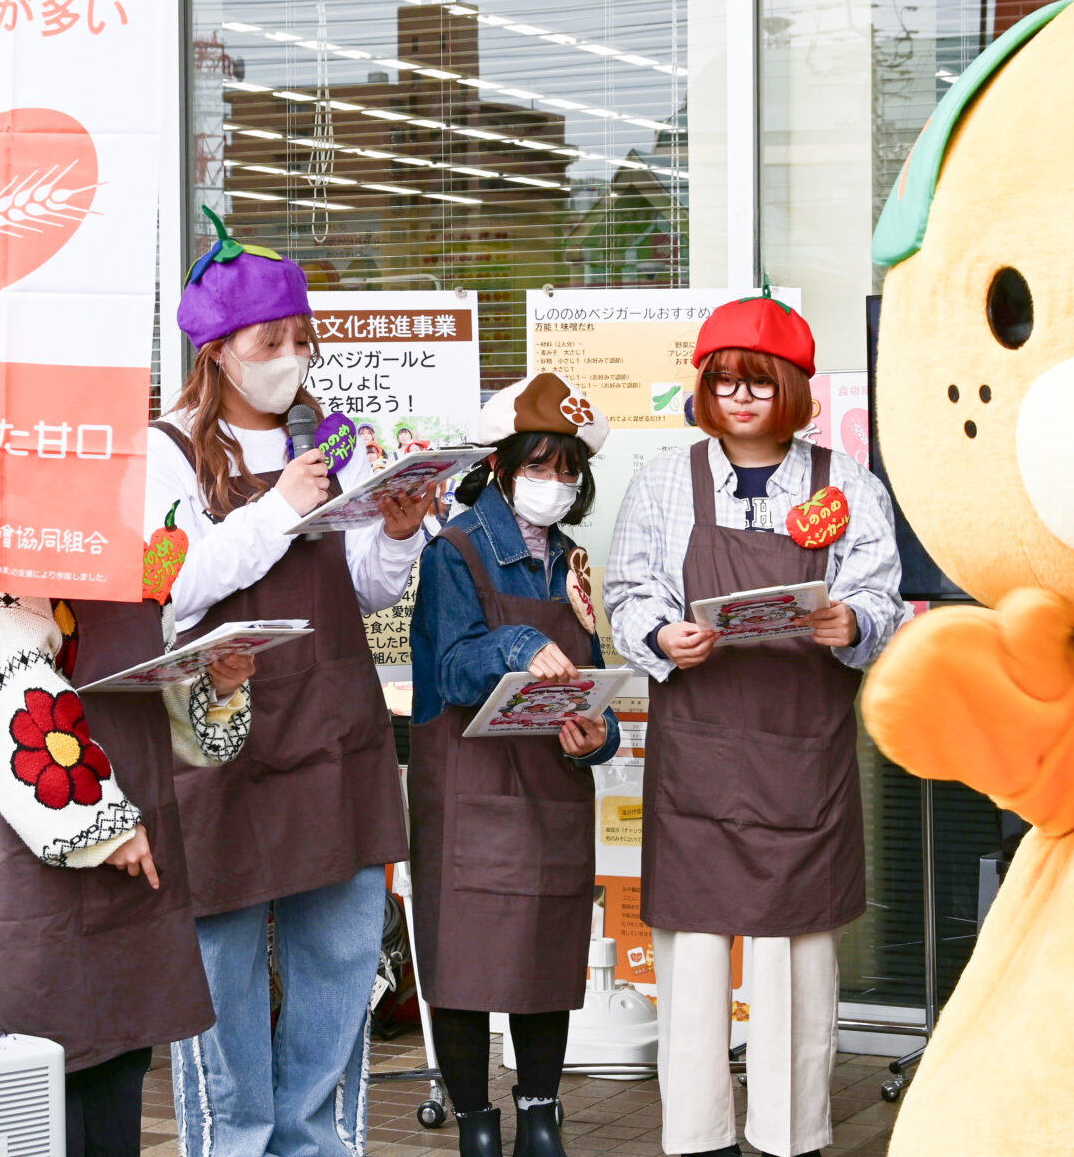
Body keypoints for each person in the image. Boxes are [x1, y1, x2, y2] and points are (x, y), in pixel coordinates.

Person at [156, 211, 432, 1157]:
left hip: (332, 730)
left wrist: (394, 531)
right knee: (220, 971)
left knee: (342, 959)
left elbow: (362, 588)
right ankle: (232, 1142)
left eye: (302, 339)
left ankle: (315, 1141)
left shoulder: (333, 444)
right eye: (272, 342)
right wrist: (279, 507)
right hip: (220, 735)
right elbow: (176, 581)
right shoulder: (168, 453)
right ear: (218, 352)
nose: (294, 358)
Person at [603, 295, 906, 1157]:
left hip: (801, 758)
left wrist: (853, 622)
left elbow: (881, 591)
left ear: (792, 390)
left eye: (757, 383)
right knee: (692, 957)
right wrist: (661, 634)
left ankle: (791, 1137)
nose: (739, 399)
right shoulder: (666, 478)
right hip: (698, 751)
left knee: (794, 957)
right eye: (723, 382)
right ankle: (697, 1138)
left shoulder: (844, 481)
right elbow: (629, 593)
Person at [0, 590, 249, 1156]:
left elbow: (165, 694)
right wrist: (103, 824)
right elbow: (6, 701)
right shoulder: (3, 581)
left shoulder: (136, 571)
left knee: (120, 1070)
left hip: (134, 852)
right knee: (35, 1086)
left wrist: (218, 683)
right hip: (40, 860)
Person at [408, 373, 620, 1157]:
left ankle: (539, 1116)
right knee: (463, 960)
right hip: (470, 795)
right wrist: (520, 645)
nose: (555, 484)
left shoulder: (574, 564)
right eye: (540, 465)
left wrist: (596, 737)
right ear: (500, 467)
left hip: (551, 792)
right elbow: (453, 668)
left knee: (546, 953)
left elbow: (593, 679)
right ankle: (476, 1126)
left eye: (568, 470)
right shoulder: (454, 552)